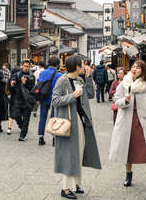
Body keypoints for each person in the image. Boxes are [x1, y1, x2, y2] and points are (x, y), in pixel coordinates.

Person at [108, 60, 146, 193]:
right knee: (128, 150)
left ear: (143, 71)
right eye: (133, 67)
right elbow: (116, 99)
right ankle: (128, 175)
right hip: (127, 122)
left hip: (143, 123)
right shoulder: (123, 84)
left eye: (138, 68)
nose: (135, 69)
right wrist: (125, 101)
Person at [52, 56, 101, 199]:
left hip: (80, 121)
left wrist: (88, 77)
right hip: (68, 123)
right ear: (76, 66)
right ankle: (66, 188)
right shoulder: (62, 80)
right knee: (69, 155)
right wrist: (72, 96)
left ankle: (76, 184)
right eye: (82, 64)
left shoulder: (79, 79)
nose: (84, 66)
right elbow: (55, 100)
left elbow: (90, 95)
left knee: (78, 153)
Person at [37, 56, 62, 146]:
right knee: (54, 118)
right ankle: (54, 138)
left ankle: (41, 137)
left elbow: (39, 83)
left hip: (43, 97)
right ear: (57, 64)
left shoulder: (42, 73)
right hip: (54, 100)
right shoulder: (59, 75)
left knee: (42, 118)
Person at [10, 60, 35, 141]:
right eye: (25, 66)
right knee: (16, 116)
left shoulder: (32, 76)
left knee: (26, 118)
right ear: (21, 66)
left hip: (27, 100)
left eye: (28, 66)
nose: (26, 68)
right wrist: (12, 82)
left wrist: (25, 83)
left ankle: (23, 135)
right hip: (18, 99)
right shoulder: (17, 74)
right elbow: (12, 80)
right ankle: (22, 127)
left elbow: (32, 86)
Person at [6, 67, 21, 135]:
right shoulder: (19, 79)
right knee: (20, 113)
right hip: (19, 97)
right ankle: (21, 126)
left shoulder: (9, 80)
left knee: (11, 113)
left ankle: (9, 128)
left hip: (12, 97)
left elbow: (8, 89)